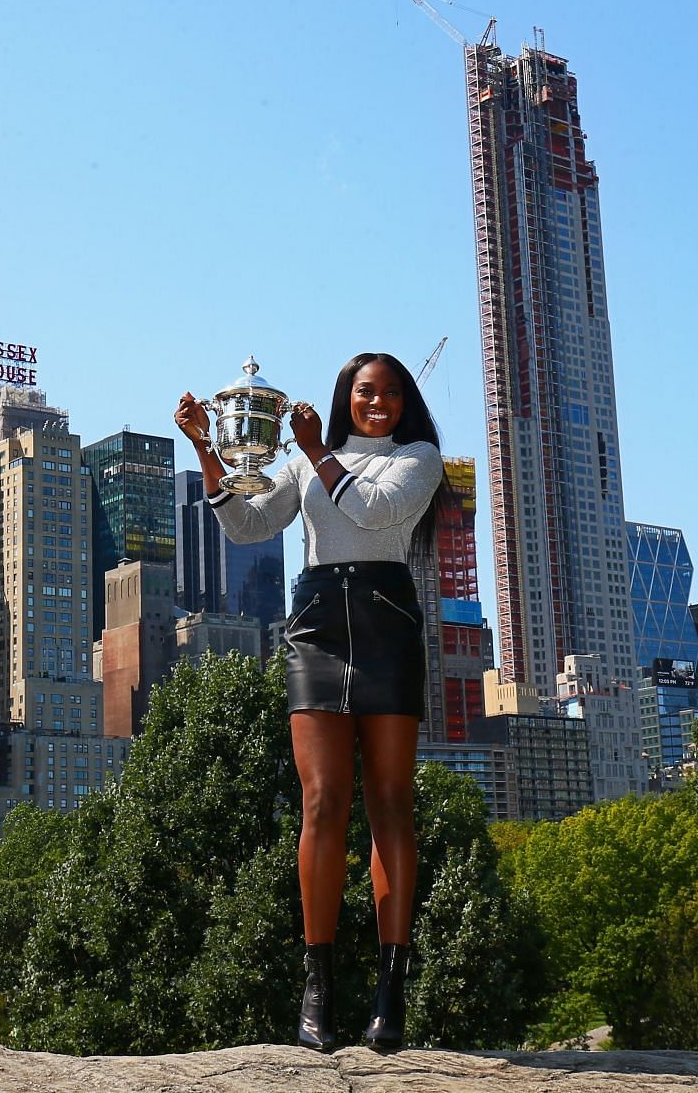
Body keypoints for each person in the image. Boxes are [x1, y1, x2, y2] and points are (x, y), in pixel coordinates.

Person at [175, 351, 444, 1054]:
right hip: (319, 627)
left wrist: (318, 449)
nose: (376, 401)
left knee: (389, 802)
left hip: (387, 625)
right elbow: (248, 525)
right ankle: (317, 986)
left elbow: (373, 508)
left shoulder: (419, 459)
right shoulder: (302, 460)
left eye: (388, 391)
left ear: (404, 400)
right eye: (364, 390)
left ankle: (391, 989)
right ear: (345, 397)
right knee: (322, 801)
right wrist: (207, 447)